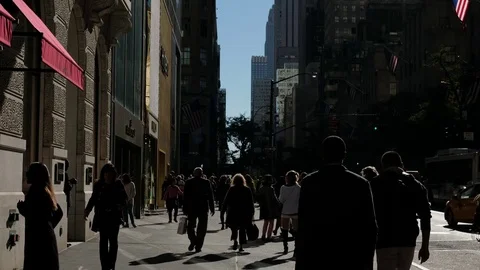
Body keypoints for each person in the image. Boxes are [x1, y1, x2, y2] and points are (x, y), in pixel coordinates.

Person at [295, 136, 377, 270]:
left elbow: (304, 224)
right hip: (351, 256)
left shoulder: (310, 182)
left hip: (317, 255)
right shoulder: (360, 183)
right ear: (344, 155)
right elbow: (370, 226)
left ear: (322, 155)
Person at [370, 151, 431, 270]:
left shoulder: (374, 184)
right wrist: (425, 246)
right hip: (407, 239)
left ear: (383, 165)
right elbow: (425, 216)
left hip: (384, 239)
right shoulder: (415, 184)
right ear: (401, 164)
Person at [18, 162, 63, 270]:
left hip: (37, 241)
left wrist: (22, 208)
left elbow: (34, 214)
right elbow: (59, 212)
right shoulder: (45, 191)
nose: (26, 175)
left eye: (29, 172)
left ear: (35, 175)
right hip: (45, 238)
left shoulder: (36, 191)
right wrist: (49, 226)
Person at [85, 163, 127, 270]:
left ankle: (111, 264)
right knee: (103, 242)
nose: (108, 176)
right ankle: (104, 266)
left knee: (113, 242)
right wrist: (87, 210)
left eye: (110, 174)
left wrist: (118, 206)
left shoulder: (118, 184)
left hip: (114, 218)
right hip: (102, 217)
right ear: (103, 174)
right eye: (106, 174)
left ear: (114, 175)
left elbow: (124, 199)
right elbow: (93, 198)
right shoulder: (99, 185)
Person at [183, 167, 215, 252]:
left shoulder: (188, 182)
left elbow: (185, 197)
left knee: (190, 227)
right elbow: (210, 196)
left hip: (191, 208)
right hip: (203, 208)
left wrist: (184, 208)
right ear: (202, 174)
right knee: (202, 228)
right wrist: (212, 208)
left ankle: (193, 241)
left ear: (194, 173)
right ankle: (198, 246)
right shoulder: (206, 182)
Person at [222, 174, 255, 252]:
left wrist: (223, 210)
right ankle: (241, 246)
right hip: (244, 212)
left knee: (234, 227)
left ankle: (234, 240)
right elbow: (251, 202)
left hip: (233, 211)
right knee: (242, 229)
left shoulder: (232, 189)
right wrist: (252, 212)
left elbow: (226, 200)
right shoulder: (247, 189)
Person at [278, 170, 301, 256]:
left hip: (285, 212)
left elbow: (281, 200)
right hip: (296, 212)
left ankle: (285, 248)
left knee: (285, 230)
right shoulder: (299, 188)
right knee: (296, 231)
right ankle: (296, 249)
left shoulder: (283, 188)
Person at [256, 174, 280, 241]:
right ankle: (269, 236)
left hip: (264, 207)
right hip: (271, 207)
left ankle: (263, 235)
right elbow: (274, 198)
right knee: (271, 222)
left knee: (265, 222)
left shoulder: (261, 188)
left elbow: (258, 197)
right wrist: (279, 204)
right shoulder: (271, 188)